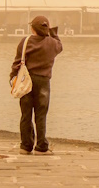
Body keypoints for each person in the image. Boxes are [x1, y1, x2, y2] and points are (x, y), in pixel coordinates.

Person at [10, 15, 63, 155]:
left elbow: (17, 62)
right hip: (43, 81)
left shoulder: (25, 41)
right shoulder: (52, 43)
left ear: (32, 28)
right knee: (41, 115)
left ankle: (25, 146)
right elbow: (60, 46)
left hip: (26, 81)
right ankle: (41, 146)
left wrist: (12, 78)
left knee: (26, 114)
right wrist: (53, 33)